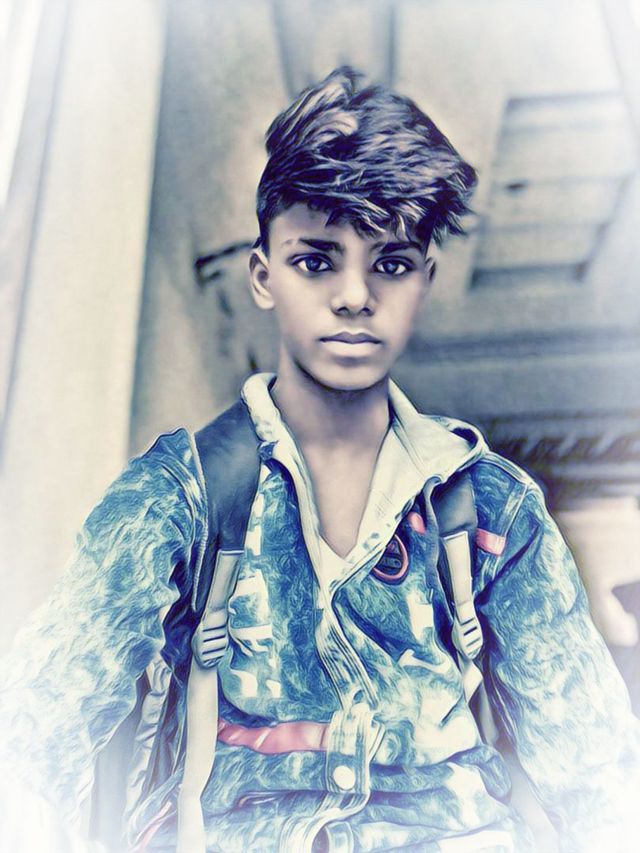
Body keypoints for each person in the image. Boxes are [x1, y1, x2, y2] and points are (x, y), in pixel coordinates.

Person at [1, 66, 639, 853]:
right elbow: (33, 730)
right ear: (263, 275)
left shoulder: (492, 506)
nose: (354, 296)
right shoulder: (178, 495)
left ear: (425, 280)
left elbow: (598, 776)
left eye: (390, 263)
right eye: (316, 260)